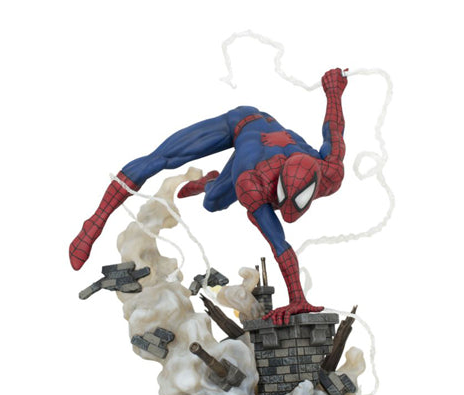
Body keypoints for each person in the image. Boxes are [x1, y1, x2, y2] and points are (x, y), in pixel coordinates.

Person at [70, 68, 347, 324]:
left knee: (213, 202)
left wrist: (334, 91)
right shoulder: (253, 183)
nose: (288, 212)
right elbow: (278, 241)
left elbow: (333, 130)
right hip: (240, 123)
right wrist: (296, 296)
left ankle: (208, 183)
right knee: (161, 158)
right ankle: (95, 222)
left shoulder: (330, 172)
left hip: (255, 156)